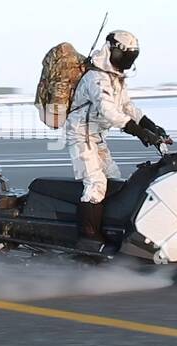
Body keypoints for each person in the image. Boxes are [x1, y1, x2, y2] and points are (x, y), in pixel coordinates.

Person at [63, 29, 168, 252]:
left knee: (114, 180)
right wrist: (139, 132)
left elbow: (127, 107)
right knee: (96, 184)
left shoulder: (115, 77)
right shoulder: (96, 77)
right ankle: (89, 241)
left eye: (132, 57)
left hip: (96, 135)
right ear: (114, 52)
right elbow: (108, 111)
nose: (129, 61)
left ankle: (110, 230)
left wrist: (150, 125)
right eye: (127, 56)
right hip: (81, 134)